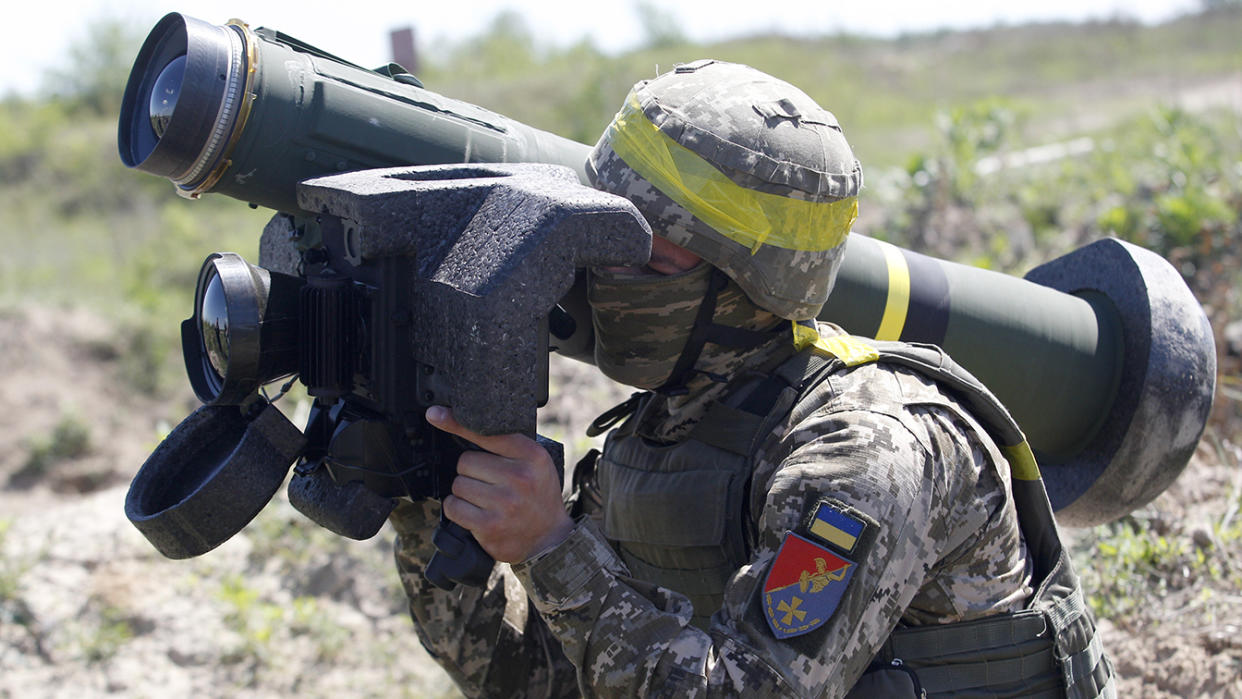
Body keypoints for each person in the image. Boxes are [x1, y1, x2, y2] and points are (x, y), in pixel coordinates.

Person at [388, 59, 1114, 697]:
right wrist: (427, 501)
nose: (597, 277)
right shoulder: (669, 428)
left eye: (638, 255)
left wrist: (552, 546)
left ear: (745, 284)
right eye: (596, 240)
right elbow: (546, 680)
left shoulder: (864, 450)